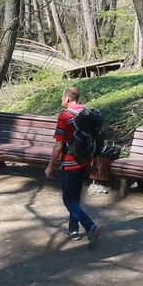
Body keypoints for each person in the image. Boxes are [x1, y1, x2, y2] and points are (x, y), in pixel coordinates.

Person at [44, 85, 100, 248]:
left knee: (68, 200)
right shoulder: (86, 112)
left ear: (67, 98)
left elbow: (59, 146)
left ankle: (90, 226)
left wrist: (50, 166)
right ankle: (73, 230)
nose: (61, 100)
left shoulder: (65, 115)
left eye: (62, 97)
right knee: (75, 197)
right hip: (85, 162)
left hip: (70, 163)